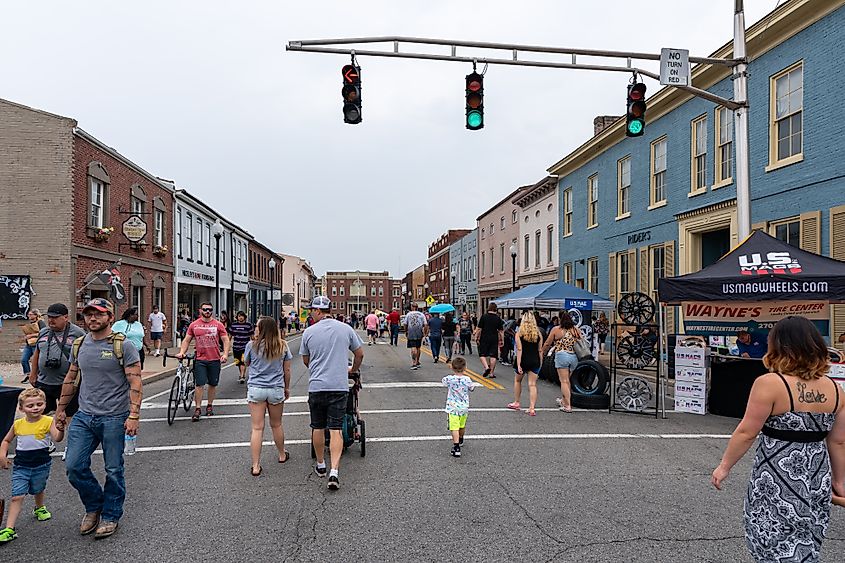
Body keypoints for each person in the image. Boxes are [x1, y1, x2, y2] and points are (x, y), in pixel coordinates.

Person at [711, 316, 845, 562]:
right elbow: (837, 442)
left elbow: (746, 432)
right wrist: (840, 481)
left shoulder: (770, 384)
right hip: (816, 476)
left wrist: (724, 466)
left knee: (771, 543)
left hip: (776, 477)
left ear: (778, 346)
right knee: (808, 542)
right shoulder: (835, 390)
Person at [55, 298, 143, 540]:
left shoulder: (123, 346)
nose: (93, 318)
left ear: (110, 318)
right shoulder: (80, 344)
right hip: (84, 416)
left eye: (99, 314)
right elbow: (71, 378)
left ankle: (111, 515)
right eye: (88, 314)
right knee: (73, 466)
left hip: (115, 417)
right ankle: (94, 506)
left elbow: (135, 381)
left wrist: (134, 415)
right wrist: (61, 409)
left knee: (113, 469)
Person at [299, 296, 364, 491]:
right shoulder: (345, 328)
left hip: (317, 386)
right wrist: (352, 369)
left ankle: (321, 464)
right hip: (338, 385)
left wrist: (317, 368)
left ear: (318, 311)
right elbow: (359, 353)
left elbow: (305, 360)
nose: (310, 313)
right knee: (336, 428)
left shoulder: (309, 332)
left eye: (312, 310)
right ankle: (334, 471)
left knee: (318, 427)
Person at [0, 388, 65, 544]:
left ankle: (39, 507)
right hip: (21, 466)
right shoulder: (17, 424)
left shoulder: (48, 421)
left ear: (44, 405)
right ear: (21, 408)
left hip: (41, 465)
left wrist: (61, 428)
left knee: (38, 488)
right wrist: (2, 454)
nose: (35, 408)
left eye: (39, 404)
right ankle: (9, 529)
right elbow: (6, 440)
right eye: (30, 406)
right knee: (17, 496)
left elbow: (57, 438)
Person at [244, 317, 293, 476]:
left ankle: (256, 465)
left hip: (256, 389)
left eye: (257, 326)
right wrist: (286, 388)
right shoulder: (283, 346)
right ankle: (281, 454)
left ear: (262, 329)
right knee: (276, 424)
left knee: (257, 428)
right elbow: (287, 371)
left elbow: (247, 363)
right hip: (275, 389)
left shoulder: (251, 346)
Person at [176, 302, 230, 422]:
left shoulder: (218, 325)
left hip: (215, 358)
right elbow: (186, 340)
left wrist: (225, 354)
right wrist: (182, 352)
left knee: (212, 383)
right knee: (199, 384)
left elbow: (225, 340)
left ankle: (209, 405)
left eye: (210, 309)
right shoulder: (194, 325)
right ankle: (198, 408)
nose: (207, 312)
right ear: (200, 310)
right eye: (205, 309)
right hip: (200, 359)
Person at [29, 303, 86, 416]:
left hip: (67, 384)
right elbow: (37, 353)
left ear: (66, 317)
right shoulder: (44, 332)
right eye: (49, 317)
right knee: (44, 416)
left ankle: (66, 433)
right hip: (44, 382)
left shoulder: (78, 333)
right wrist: (33, 373)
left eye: (55, 317)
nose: (51, 320)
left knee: (69, 415)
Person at [541, 311, 582, 413]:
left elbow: (547, 343)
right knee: (567, 381)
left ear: (560, 319)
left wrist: (542, 353)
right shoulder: (576, 330)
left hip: (562, 355)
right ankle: (564, 401)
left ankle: (568, 406)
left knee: (563, 381)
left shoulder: (556, 330)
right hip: (573, 357)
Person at [441, 357, 478, 458]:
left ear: (452, 368)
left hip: (452, 407)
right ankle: (461, 438)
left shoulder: (449, 379)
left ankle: (456, 446)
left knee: (454, 427)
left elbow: (443, 381)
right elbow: (472, 388)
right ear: (465, 368)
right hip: (464, 407)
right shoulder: (467, 379)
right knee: (462, 425)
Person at [509, 312, 543, 416]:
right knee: (532, 384)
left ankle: (517, 402)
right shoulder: (538, 334)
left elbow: (519, 349)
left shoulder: (519, 333)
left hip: (523, 360)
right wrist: (540, 362)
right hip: (534, 360)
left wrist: (519, 364)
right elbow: (540, 350)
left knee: (518, 381)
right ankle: (532, 408)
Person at [111, 307, 147, 371]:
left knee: (138, 369)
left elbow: (142, 336)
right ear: (130, 315)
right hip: (125, 351)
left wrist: (146, 345)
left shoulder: (138, 324)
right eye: (136, 314)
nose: (137, 316)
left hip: (139, 350)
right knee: (128, 369)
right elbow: (111, 335)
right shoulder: (119, 324)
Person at [475, 303, 504, 378]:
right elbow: (501, 331)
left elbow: (479, 328)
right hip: (494, 338)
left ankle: (486, 367)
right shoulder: (498, 318)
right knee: (493, 356)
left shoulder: (484, 316)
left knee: (482, 354)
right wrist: (502, 340)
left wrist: (476, 336)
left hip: (484, 337)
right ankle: (491, 373)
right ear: (495, 309)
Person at [19, 309, 46, 384]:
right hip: (29, 344)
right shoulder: (31, 323)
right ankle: (28, 375)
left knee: (37, 361)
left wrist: (31, 335)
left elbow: (43, 332)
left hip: (36, 345)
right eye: (28, 314)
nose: (29, 316)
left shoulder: (40, 322)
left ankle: (38, 376)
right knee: (24, 360)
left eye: (30, 314)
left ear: (35, 315)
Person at [229, 311, 254, 384]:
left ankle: (242, 375)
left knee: (243, 361)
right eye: (239, 316)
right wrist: (228, 345)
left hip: (245, 347)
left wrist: (255, 344)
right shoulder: (234, 325)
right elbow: (230, 336)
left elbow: (252, 336)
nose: (240, 317)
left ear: (244, 317)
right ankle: (241, 374)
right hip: (236, 346)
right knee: (238, 362)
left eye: (242, 316)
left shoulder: (248, 325)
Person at [404, 303, 427, 370]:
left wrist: (406, 331)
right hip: (419, 331)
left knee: (413, 347)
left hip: (411, 331)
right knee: (418, 347)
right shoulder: (421, 314)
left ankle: (414, 363)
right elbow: (425, 325)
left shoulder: (408, 314)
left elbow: (405, 324)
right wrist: (425, 333)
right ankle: (417, 361)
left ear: (412, 307)